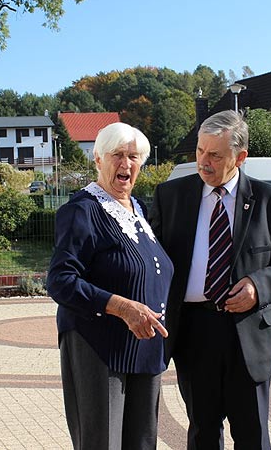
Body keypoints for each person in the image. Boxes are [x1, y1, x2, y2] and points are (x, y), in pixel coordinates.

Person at [149, 110, 271, 450]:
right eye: (200, 151)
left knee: (252, 435)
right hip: (193, 334)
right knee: (203, 433)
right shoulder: (170, 197)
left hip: (248, 335)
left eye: (215, 155)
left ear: (240, 157)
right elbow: (151, 260)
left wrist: (257, 286)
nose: (203, 162)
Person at [46, 122, 174, 450]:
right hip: (99, 347)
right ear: (98, 159)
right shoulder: (82, 211)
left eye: (133, 156)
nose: (126, 164)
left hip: (145, 348)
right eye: (117, 155)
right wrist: (122, 307)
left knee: (142, 443)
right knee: (103, 444)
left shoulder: (139, 209)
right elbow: (60, 281)